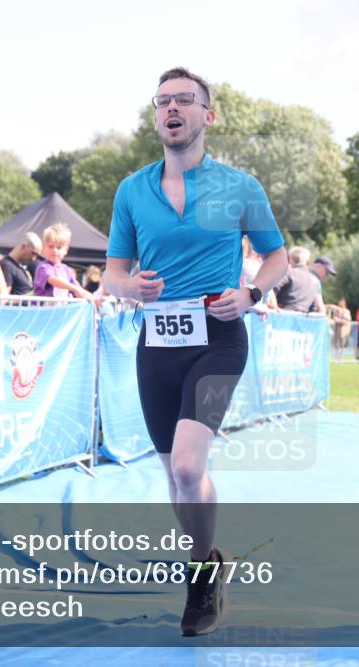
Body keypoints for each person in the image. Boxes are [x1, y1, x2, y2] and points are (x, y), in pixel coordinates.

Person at [102, 67, 288, 637]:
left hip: (219, 337)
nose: (172, 109)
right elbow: (112, 273)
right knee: (175, 481)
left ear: (208, 116)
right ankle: (207, 558)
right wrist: (130, 287)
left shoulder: (239, 187)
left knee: (188, 464)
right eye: (162, 102)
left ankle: (201, 578)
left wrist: (251, 292)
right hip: (156, 342)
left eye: (185, 100)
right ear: (156, 116)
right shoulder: (132, 190)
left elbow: (278, 260)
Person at [34, 223, 95, 303]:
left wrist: (93, 298)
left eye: (59, 247)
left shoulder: (66, 270)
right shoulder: (43, 267)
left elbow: (78, 290)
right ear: (43, 248)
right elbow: (53, 280)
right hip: (44, 312)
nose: (55, 250)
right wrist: (74, 288)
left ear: (66, 250)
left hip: (61, 311)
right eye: (51, 246)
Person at [270, 245, 317, 313]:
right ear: (306, 260)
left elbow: (271, 290)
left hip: (284, 315)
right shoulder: (313, 280)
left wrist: (274, 308)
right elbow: (313, 306)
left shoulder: (288, 273)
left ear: (290, 259)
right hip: (302, 318)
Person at [327, 297, 352, 363]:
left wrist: (339, 320)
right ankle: (336, 359)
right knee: (337, 345)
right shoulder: (336, 310)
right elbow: (331, 307)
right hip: (337, 329)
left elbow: (348, 320)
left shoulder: (347, 311)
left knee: (342, 345)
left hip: (344, 330)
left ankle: (341, 359)